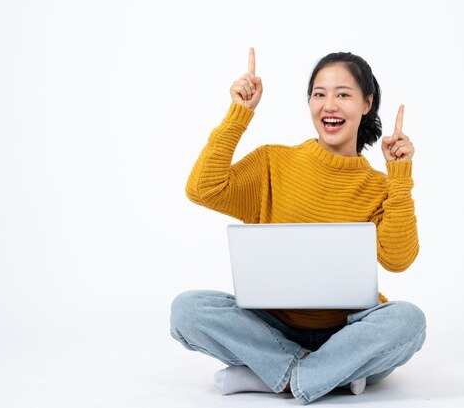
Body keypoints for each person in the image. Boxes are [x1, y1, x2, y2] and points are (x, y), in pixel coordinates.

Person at [170, 48, 426, 405]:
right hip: (270, 328)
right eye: (319, 94)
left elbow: (398, 259)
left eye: (343, 94)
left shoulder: (378, 187)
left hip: (348, 335)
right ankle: (325, 375)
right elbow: (202, 189)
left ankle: (274, 374)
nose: (329, 105)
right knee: (187, 310)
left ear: (366, 104)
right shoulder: (274, 161)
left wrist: (399, 176)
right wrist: (239, 114)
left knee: (409, 322)